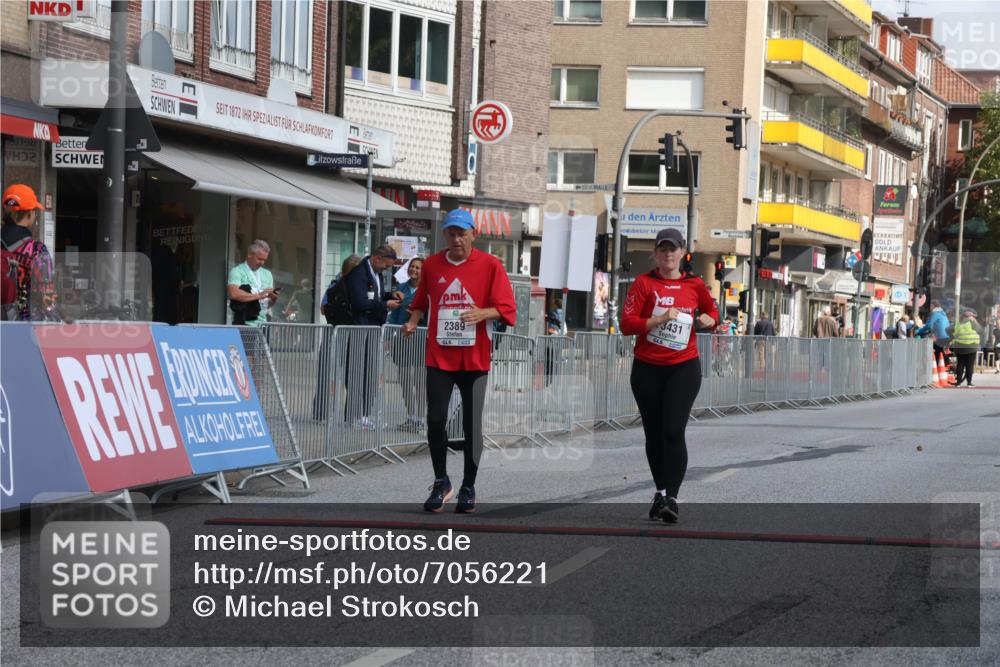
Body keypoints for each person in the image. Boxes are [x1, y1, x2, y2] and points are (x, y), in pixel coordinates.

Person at [402, 209, 516, 513]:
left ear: (473, 234)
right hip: (439, 354)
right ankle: (442, 481)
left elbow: (507, 308)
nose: (456, 239)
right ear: (445, 236)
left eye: (461, 233)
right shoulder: (432, 265)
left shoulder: (491, 265)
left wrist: (483, 313)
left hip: (475, 357)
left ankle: (468, 485)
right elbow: (421, 299)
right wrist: (413, 320)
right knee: (436, 419)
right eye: (451, 233)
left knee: (471, 424)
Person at [621, 228, 718, 524]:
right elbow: (627, 324)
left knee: (673, 431)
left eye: (673, 249)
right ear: (655, 253)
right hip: (648, 367)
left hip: (683, 366)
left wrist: (709, 319)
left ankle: (671, 499)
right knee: (654, 433)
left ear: (682, 252)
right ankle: (660, 491)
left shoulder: (695, 284)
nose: (668, 254)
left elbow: (713, 313)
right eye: (662, 249)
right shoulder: (643, 283)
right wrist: (660, 319)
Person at [344, 245, 401, 429]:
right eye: (386, 265)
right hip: (361, 329)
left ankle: (365, 415)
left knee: (370, 373)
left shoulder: (376, 273)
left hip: (373, 328)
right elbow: (361, 302)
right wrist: (385, 305)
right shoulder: (359, 273)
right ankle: (354, 416)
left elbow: (375, 295)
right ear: (377, 258)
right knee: (357, 373)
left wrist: (390, 295)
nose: (386, 269)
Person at [2, 184, 57, 321]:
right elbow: (47, 298)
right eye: (34, 211)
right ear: (29, 214)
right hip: (25, 327)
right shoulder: (37, 250)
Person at [388, 257, 426, 432]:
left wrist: (419, 315)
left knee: (419, 379)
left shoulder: (427, 289)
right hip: (402, 338)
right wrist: (389, 336)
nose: (414, 270)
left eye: (418, 268)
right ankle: (410, 416)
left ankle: (420, 417)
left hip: (420, 338)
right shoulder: (401, 288)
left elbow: (432, 313)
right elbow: (394, 315)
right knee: (404, 379)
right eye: (412, 267)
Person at [227, 239, 277, 327]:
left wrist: (273, 299)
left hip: (263, 324)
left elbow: (266, 305)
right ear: (250, 254)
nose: (262, 262)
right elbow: (233, 293)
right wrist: (259, 295)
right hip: (243, 324)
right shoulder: (237, 271)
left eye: (264, 260)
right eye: (259, 259)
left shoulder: (267, 274)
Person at [948, 308, 982, 387]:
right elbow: (980, 330)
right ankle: (969, 383)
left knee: (960, 364)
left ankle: (958, 383)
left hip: (960, 346)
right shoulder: (973, 323)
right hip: (971, 346)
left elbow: (955, 333)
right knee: (969, 365)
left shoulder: (959, 323)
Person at [916, 300, 951, 368]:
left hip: (940, 337)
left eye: (931, 306)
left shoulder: (935, 313)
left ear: (933, 306)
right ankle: (945, 362)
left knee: (936, 351)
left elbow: (929, 325)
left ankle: (937, 366)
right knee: (941, 351)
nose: (930, 307)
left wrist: (918, 331)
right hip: (947, 336)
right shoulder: (943, 313)